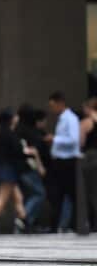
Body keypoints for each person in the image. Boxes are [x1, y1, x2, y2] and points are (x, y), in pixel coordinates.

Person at [0, 108, 31, 234]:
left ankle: (26, 225)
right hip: (8, 170)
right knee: (2, 198)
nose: (17, 117)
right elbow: (16, 150)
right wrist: (25, 151)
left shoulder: (6, 131)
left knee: (18, 198)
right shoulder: (7, 133)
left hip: (8, 169)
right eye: (15, 116)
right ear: (10, 119)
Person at [46, 91, 82, 232]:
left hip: (68, 161)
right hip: (60, 162)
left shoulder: (70, 119)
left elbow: (74, 140)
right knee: (59, 194)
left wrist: (55, 139)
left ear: (60, 103)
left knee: (71, 194)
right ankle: (55, 225)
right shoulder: (62, 118)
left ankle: (76, 224)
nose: (52, 109)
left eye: (53, 106)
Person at [80, 97, 97, 235]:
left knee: (90, 191)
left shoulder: (86, 122)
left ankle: (92, 223)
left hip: (90, 157)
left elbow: (80, 142)